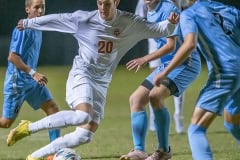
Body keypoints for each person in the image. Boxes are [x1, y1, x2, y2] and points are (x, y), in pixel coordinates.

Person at [6, 0, 179, 160]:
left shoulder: (129, 22)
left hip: (102, 83)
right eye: (99, 3)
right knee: (82, 115)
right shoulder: (84, 19)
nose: (102, 8)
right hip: (82, 74)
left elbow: (160, 29)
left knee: (84, 135)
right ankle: (28, 128)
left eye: (107, 4)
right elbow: (57, 19)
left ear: (116, 2)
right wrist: (30, 22)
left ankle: (34, 156)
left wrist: (171, 23)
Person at [153, 0, 240, 159]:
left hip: (225, 71)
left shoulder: (189, 14)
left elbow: (189, 44)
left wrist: (165, 71)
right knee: (232, 121)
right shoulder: (225, 9)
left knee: (196, 130)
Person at [120, 0, 201, 160]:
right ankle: (139, 151)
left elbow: (171, 45)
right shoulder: (148, 10)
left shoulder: (167, 9)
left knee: (155, 96)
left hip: (185, 63)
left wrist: (145, 58)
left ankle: (163, 151)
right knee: (136, 99)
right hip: (167, 63)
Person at [1, 0, 60, 151]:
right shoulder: (23, 29)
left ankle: (55, 152)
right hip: (18, 83)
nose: (40, 11)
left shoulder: (38, 26)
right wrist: (33, 73)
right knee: (6, 123)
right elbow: (12, 57)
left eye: (43, 7)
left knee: (53, 109)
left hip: (31, 82)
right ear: (28, 9)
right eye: (36, 7)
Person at [135, 0, 185, 133]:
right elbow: (138, 19)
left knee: (176, 78)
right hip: (155, 40)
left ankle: (178, 115)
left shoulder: (170, 6)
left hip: (175, 39)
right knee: (155, 81)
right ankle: (153, 117)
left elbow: (186, 9)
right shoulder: (145, 2)